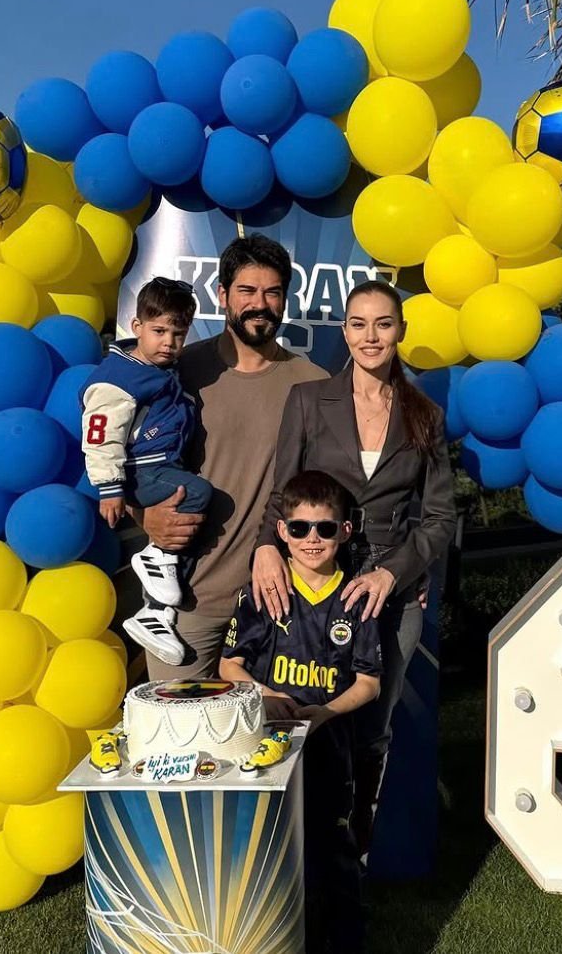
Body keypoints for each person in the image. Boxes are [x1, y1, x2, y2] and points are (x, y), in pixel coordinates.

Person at [251, 278, 457, 858]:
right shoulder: (309, 401)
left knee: (372, 722)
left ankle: (353, 850)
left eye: (383, 324)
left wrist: (395, 574)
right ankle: (285, 846)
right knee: (295, 709)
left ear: (400, 332)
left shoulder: (424, 414)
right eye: (359, 324)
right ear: (344, 331)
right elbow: (281, 492)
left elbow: (440, 517)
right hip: (313, 585)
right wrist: (267, 546)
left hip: (391, 594)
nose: (371, 336)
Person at [134, 234, 326, 680]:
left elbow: (333, 491)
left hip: (278, 605)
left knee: (271, 745)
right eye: (247, 291)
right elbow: (120, 461)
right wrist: (142, 516)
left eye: (272, 292)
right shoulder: (176, 372)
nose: (260, 304)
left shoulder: (314, 385)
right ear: (222, 296)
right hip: (185, 605)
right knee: (178, 738)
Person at [220, 469, 381, 954]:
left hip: (330, 747)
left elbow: (370, 684)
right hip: (266, 753)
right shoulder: (261, 593)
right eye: (300, 528)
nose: (313, 540)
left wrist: (324, 713)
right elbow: (229, 666)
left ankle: (345, 938)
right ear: (282, 532)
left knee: (333, 847)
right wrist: (267, 695)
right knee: (267, 847)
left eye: (325, 529)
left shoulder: (357, 600)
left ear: (345, 531)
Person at [82, 277, 212, 665]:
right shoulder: (118, 378)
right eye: (158, 331)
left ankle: (157, 614)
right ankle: (155, 556)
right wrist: (110, 488)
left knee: (187, 535)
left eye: (178, 333)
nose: (168, 342)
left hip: (160, 464)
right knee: (198, 493)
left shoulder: (163, 371)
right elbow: (101, 437)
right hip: (139, 470)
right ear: (136, 327)